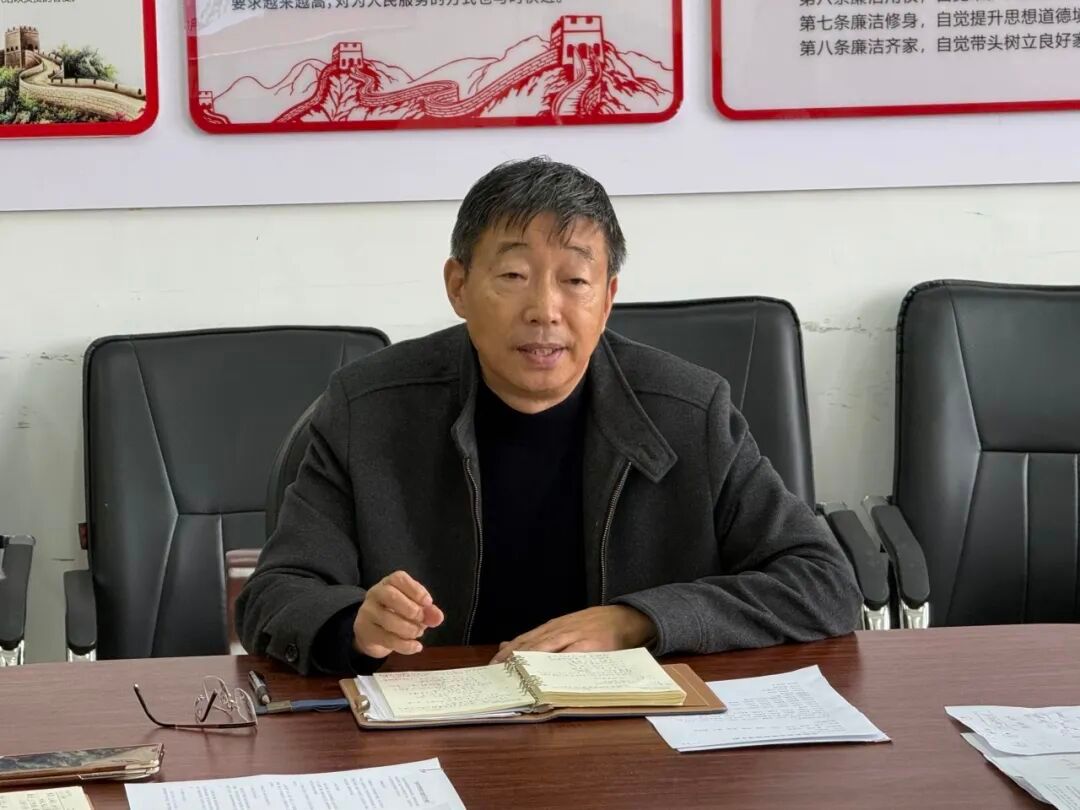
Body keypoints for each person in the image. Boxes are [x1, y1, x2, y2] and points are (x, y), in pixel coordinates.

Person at [236, 157, 861, 675]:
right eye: (513, 274)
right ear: (458, 286)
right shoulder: (369, 408)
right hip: (436, 728)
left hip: (633, 739)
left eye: (575, 281)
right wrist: (354, 624)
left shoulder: (690, 412)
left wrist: (637, 621)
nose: (544, 309)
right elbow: (275, 593)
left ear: (608, 297)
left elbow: (822, 582)